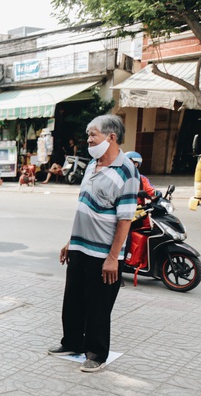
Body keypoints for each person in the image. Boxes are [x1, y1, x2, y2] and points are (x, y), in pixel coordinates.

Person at [48, 115, 138, 372]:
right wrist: (70, 241)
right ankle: (73, 343)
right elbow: (84, 208)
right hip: (80, 247)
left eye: (93, 134)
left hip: (104, 253)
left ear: (111, 137)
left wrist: (113, 258)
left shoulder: (127, 171)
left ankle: (96, 354)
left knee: (98, 307)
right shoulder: (91, 166)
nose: (88, 139)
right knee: (73, 301)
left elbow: (125, 219)